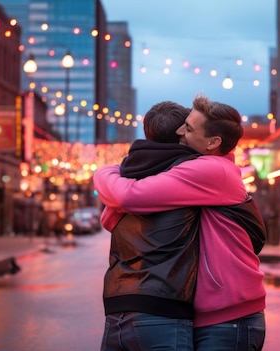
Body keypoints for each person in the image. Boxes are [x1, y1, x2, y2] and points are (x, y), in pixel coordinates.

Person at [95, 94, 267, 351]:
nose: (180, 132)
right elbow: (113, 216)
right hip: (210, 314)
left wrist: (106, 171)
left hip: (230, 316)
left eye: (188, 128)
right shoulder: (195, 170)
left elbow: (124, 198)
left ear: (213, 142)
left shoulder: (211, 170)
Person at [99, 101, 201, 351]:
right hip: (163, 309)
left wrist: (109, 171)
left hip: (117, 308)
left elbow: (107, 220)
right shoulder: (190, 173)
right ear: (182, 134)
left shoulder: (125, 174)